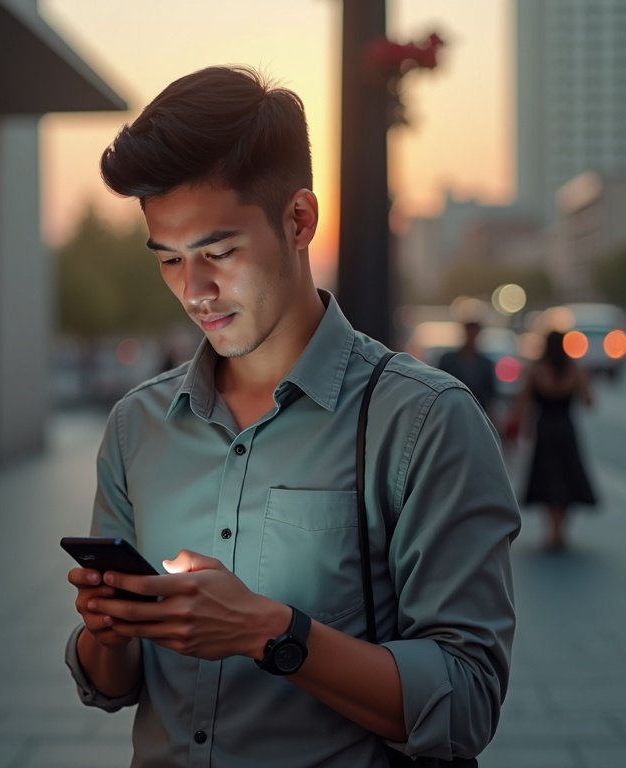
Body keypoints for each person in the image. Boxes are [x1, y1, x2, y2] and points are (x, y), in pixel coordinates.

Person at [63, 66, 520, 766]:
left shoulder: (425, 423)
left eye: (219, 253)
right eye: (170, 261)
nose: (196, 292)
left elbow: (465, 702)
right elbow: (110, 688)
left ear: (299, 220)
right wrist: (108, 628)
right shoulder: (137, 425)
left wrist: (271, 632)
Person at [508, 329, 596, 551]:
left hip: (545, 430)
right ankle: (561, 530)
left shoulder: (536, 370)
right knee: (567, 477)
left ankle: (552, 530)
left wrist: (521, 428)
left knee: (547, 478)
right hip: (566, 429)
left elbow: (523, 402)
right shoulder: (574, 370)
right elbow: (588, 401)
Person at [437, 320, 497, 416]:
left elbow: (491, 394)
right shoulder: (448, 360)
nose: (471, 337)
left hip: (478, 410)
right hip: (453, 409)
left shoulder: (485, 364)